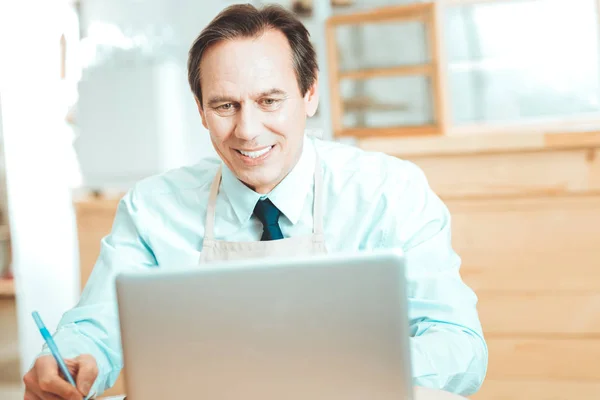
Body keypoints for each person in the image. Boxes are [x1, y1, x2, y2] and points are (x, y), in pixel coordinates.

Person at [23, 4, 487, 400]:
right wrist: (65, 360)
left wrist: (335, 372)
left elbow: (459, 345)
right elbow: (95, 327)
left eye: (269, 101)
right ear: (201, 110)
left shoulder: (390, 191)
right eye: (225, 105)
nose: (247, 130)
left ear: (309, 94)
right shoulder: (151, 209)